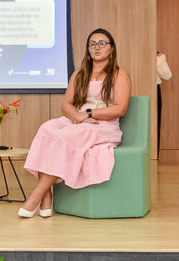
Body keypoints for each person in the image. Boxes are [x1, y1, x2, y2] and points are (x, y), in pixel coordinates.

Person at [18, 28, 131, 218]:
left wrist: (87, 113)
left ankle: (37, 195)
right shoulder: (79, 73)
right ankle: (47, 196)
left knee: (66, 136)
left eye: (102, 43)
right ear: (88, 49)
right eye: (92, 44)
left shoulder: (119, 74)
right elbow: (67, 104)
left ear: (111, 49)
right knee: (46, 129)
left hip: (102, 124)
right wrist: (78, 117)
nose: (97, 47)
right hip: (79, 120)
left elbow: (120, 109)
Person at [156, 51, 172, 158]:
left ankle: (154, 156)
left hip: (154, 88)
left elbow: (168, 75)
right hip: (136, 87)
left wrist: (155, 62)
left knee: (155, 123)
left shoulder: (160, 57)